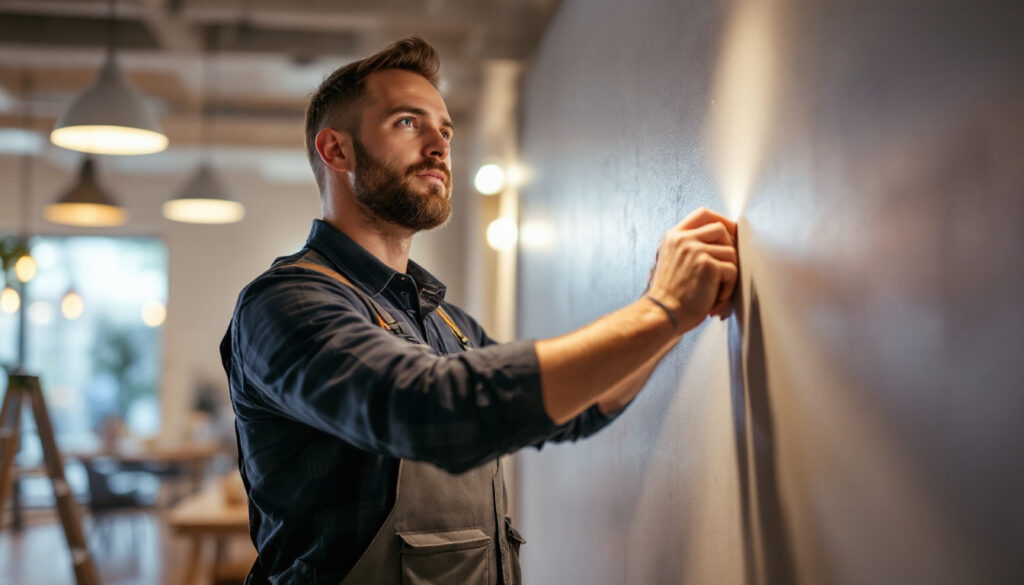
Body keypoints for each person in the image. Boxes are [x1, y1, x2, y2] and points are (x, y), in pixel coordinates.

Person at [220, 36, 738, 585]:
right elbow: (435, 409)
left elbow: (580, 407)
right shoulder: (284, 303)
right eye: (406, 122)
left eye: (444, 130)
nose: (440, 146)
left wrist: (669, 309)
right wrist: (663, 310)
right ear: (336, 150)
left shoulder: (446, 323)